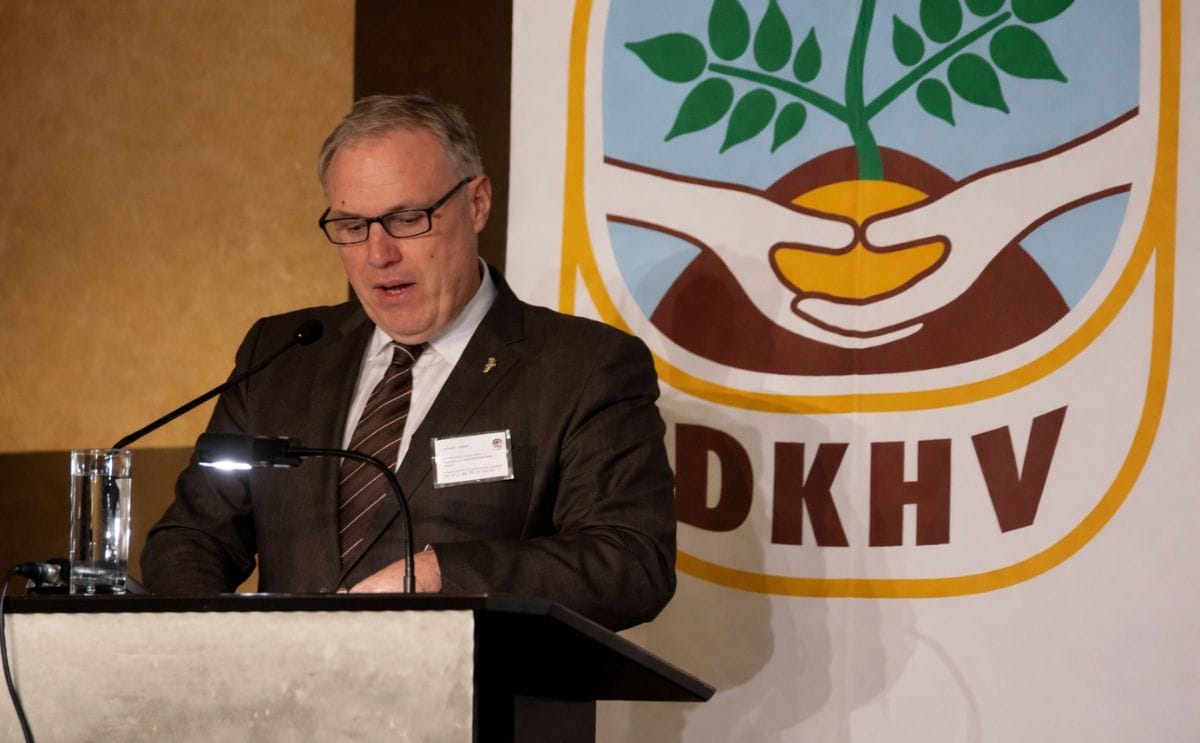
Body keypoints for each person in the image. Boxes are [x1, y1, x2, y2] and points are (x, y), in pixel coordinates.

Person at [141, 94, 677, 631]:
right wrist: (210, 644)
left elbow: (629, 562)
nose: (378, 254)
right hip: (281, 701)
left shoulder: (582, 367)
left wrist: (443, 573)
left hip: (476, 703)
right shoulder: (283, 354)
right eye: (352, 226)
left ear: (477, 203)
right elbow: (193, 537)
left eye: (406, 218)